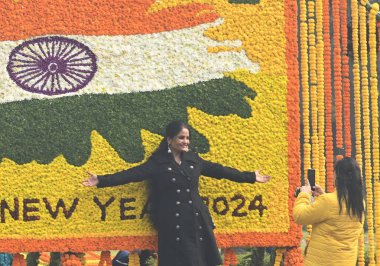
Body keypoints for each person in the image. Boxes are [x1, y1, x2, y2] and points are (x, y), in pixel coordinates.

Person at [83, 120, 271, 266]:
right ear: (169, 140)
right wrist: (101, 180)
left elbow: (221, 171)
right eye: (181, 138)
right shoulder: (157, 163)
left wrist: (250, 177)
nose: (185, 142)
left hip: (196, 219)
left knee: (200, 259)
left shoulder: (194, 160)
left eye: (187, 138)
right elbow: (132, 174)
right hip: (171, 222)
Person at [293, 157, 364, 266]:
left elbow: (299, 216)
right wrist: (323, 195)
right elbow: (338, 216)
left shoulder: (328, 202)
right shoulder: (359, 203)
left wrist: (304, 194)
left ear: (338, 177)